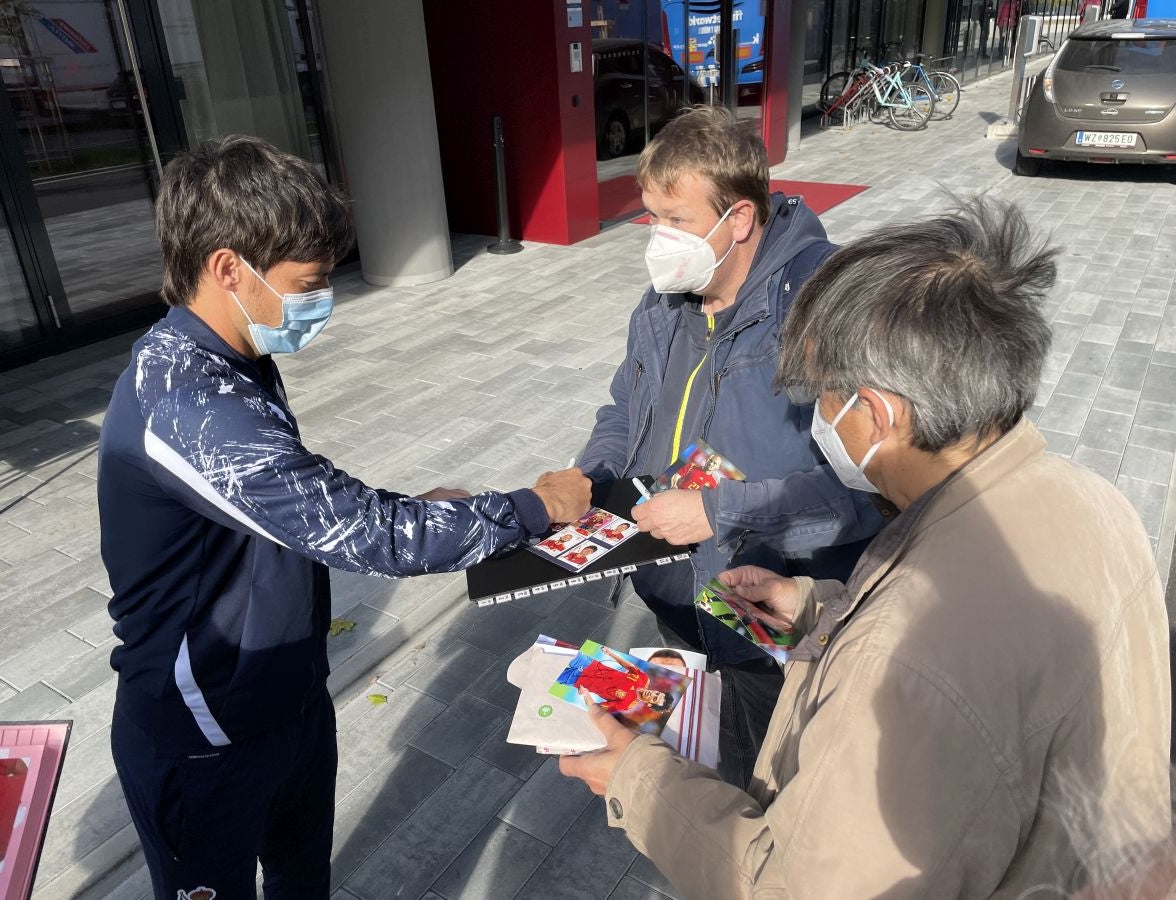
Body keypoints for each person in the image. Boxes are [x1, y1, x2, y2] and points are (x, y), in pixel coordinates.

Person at [561, 197, 1171, 897]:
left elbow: (794, 886)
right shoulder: (1097, 500)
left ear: (876, 412)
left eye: (822, 399)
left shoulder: (905, 657)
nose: (818, 419)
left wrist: (633, 776)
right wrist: (819, 607)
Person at [98, 135, 589, 899]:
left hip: (285, 697)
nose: (321, 301)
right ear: (229, 269)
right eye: (308, 283)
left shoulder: (235, 356)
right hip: (204, 739)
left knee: (301, 881)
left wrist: (411, 508)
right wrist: (534, 508)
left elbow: (297, 502)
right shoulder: (187, 403)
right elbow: (366, 534)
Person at [577, 105, 886, 788]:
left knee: (763, 786)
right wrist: (588, 477)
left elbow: (871, 490)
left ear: (739, 219)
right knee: (695, 764)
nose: (658, 239)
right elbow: (625, 407)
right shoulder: (664, 302)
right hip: (675, 599)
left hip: (768, 613)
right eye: (651, 217)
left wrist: (720, 515)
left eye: (676, 220)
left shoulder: (823, 308)